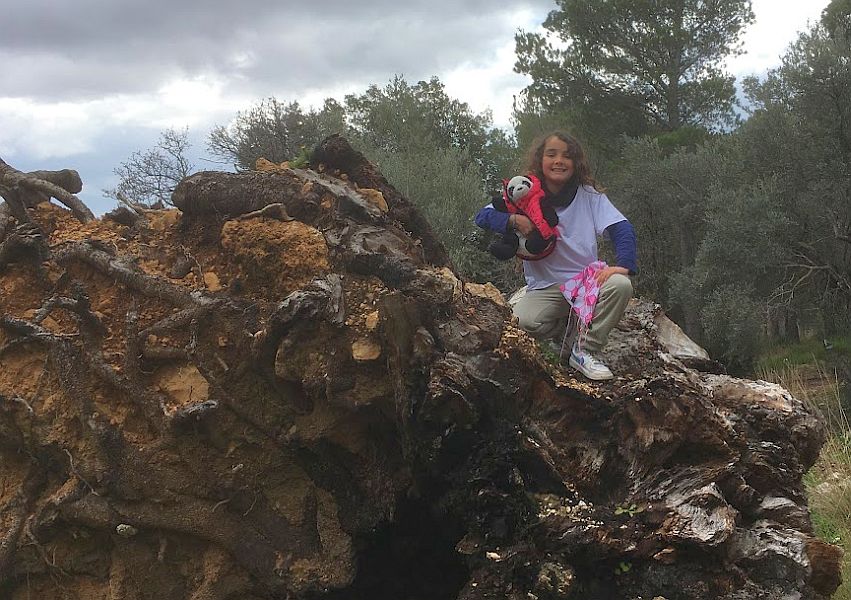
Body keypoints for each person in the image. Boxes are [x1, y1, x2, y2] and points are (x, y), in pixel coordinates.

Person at [474, 132, 637, 380]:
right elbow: (483, 216)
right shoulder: (523, 195)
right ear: (540, 160)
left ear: (576, 162)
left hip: (585, 283)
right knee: (522, 323)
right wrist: (514, 220)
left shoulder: (588, 195)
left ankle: (584, 350)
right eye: (551, 154)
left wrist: (624, 264)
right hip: (545, 288)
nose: (559, 160)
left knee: (621, 285)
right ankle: (565, 329)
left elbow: (621, 227)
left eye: (567, 156)